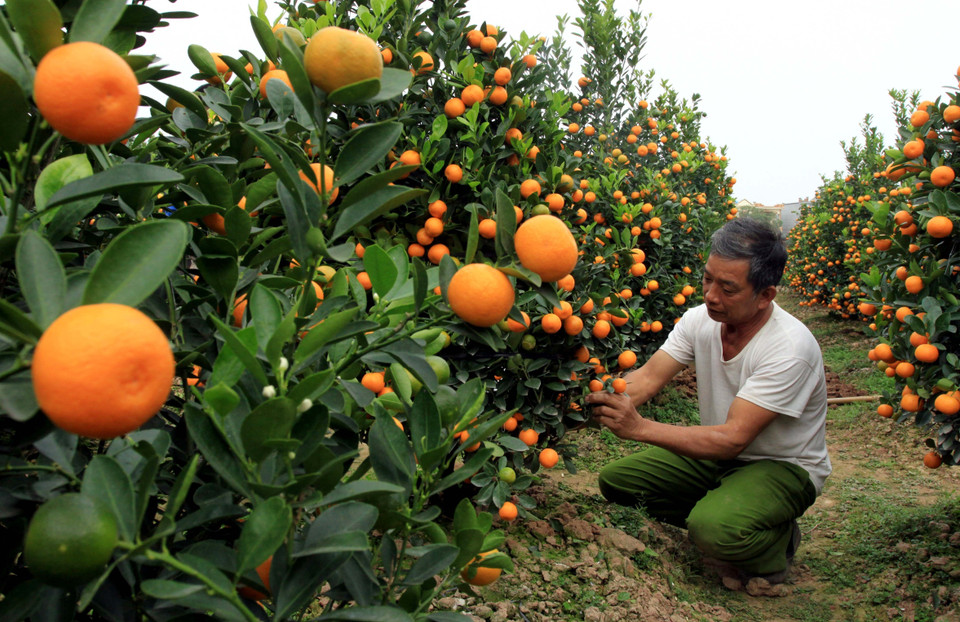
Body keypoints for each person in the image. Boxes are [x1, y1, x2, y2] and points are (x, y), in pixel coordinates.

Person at [585, 216, 831, 593]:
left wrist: (639, 428)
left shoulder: (788, 349)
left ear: (765, 295)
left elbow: (733, 439)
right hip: (717, 456)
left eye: (728, 288)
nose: (711, 295)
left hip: (782, 466)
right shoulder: (700, 320)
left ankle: (773, 546)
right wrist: (586, 403)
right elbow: (646, 379)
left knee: (713, 528)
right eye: (707, 279)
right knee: (619, 482)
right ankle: (732, 512)